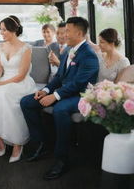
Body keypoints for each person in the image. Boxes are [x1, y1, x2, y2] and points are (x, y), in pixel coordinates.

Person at [21, 17, 99, 180]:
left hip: (82, 95)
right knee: (26, 102)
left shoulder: (89, 55)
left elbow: (78, 84)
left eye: (67, 31)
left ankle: (62, 159)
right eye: (62, 32)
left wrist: (54, 96)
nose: (63, 35)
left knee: (60, 109)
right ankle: (42, 143)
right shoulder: (68, 51)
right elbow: (59, 77)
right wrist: (46, 90)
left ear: (78, 33)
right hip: (64, 92)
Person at [0, 15, 36, 163]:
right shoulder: (0, 46)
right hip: (5, 79)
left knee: (5, 95)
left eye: (4, 30)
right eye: (0, 30)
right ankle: (0, 140)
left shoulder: (26, 48)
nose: (1, 33)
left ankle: (17, 143)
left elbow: (21, 75)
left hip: (21, 82)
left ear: (13, 30)